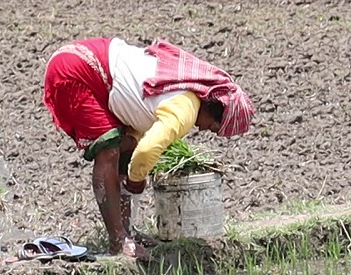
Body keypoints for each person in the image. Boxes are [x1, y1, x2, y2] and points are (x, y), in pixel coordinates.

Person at [42, 37, 255, 259]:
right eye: (212, 126)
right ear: (211, 107)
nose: (203, 130)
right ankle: (118, 241)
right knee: (109, 151)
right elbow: (146, 151)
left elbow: (137, 127)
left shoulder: (182, 93)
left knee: (123, 147)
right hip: (77, 71)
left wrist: (131, 149)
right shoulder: (185, 111)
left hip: (84, 60)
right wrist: (136, 179)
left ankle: (128, 232)